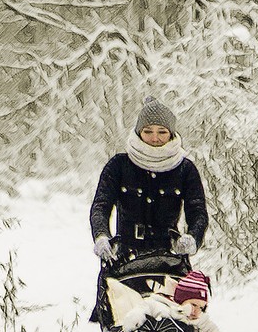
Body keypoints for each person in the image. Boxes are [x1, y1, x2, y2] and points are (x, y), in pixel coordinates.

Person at [89, 96, 208, 265]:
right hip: (124, 261)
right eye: (148, 131)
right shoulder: (118, 166)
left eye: (162, 132)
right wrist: (101, 236)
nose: (154, 138)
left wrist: (193, 237)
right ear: (139, 132)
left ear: (171, 134)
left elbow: (197, 211)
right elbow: (101, 206)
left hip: (170, 261)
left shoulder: (185, 170)